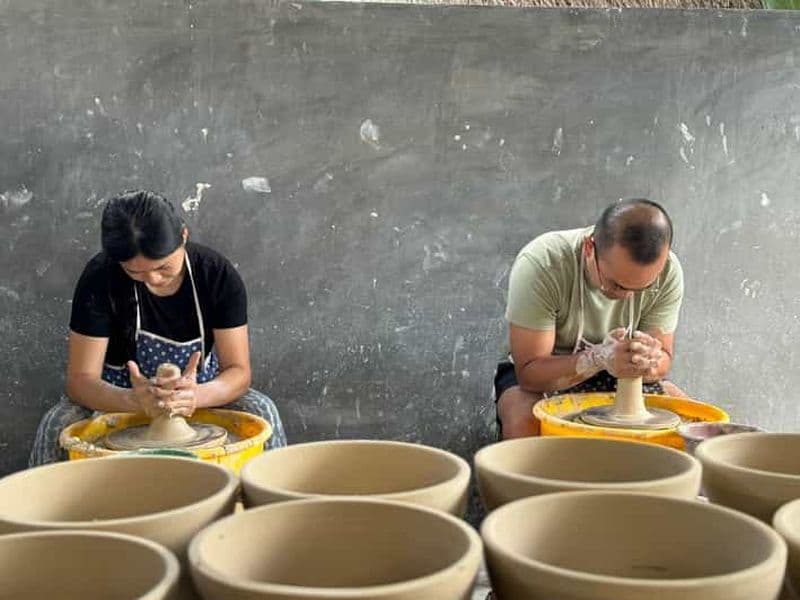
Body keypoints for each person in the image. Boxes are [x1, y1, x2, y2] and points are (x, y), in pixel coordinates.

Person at [30, 190, 287, 465]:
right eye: (135, 272)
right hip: (118, 398)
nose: (152, 279)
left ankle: (268, 504)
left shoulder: (216, 274)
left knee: (262, 410)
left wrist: (195, 395)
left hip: (199, 394)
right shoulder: (100, 277)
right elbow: (80, 380)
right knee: (57, 424)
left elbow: (238, 371)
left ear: (184, 236)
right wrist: (134, 401)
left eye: (163, 267)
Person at [495, 198, 685, 439]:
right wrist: (598, 358)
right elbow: (530, 374)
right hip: (547, 370)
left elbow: (663, 360)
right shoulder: (544, 262)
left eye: (641, 288)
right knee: (525, 420)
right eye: (616, 284)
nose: (627, 296)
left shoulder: (668, 272)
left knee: (693, 431)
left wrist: (646, 361)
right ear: (589, 249)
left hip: (621, 374)